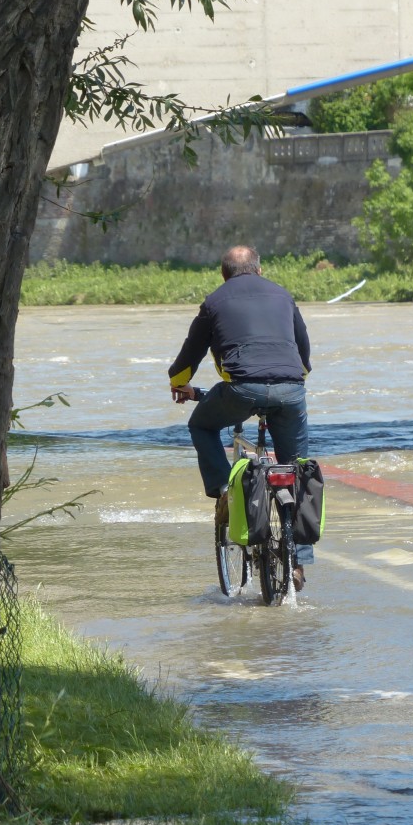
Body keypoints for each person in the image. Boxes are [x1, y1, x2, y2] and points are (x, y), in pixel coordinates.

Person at [168, 245, 314, 587]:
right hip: (291, 389)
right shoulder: (283, 295)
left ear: (224, 274)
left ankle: (224, 490)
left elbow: (192, 352)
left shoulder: (215, 301)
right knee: (297, 469)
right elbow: (304, 352)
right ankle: (299, 562)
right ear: (260, 271)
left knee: (201, 425)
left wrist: (179, 382)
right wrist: (291, 382)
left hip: (241, 390)